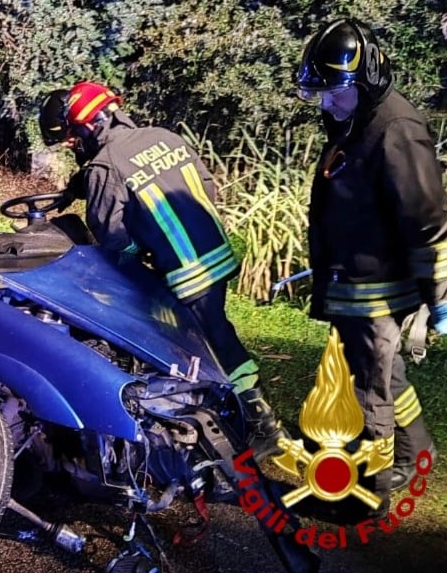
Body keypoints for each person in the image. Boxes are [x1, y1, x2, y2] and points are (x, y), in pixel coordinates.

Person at [41, 82, 288, 462]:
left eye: (74, 139)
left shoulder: (106, 165)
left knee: (195, 341)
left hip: (182, 271)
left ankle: (258, 424)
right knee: (215, 332)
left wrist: (135, 258)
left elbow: (112, 236)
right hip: (215, 253)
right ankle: (242, 413)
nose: (74, 146)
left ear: (90, 127)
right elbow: (208, 186)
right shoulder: (164, 137)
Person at [294, 18, 447, 516]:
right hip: (356, 285)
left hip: (377, 294)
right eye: (319, 93)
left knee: (367, 390)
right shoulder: (356, 119)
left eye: (334, 93)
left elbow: (428, 219)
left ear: (365, 78)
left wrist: (442, 296)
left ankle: (369, 492)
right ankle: (416, 453)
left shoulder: (395, 129)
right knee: (387, 378)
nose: (326, 103)